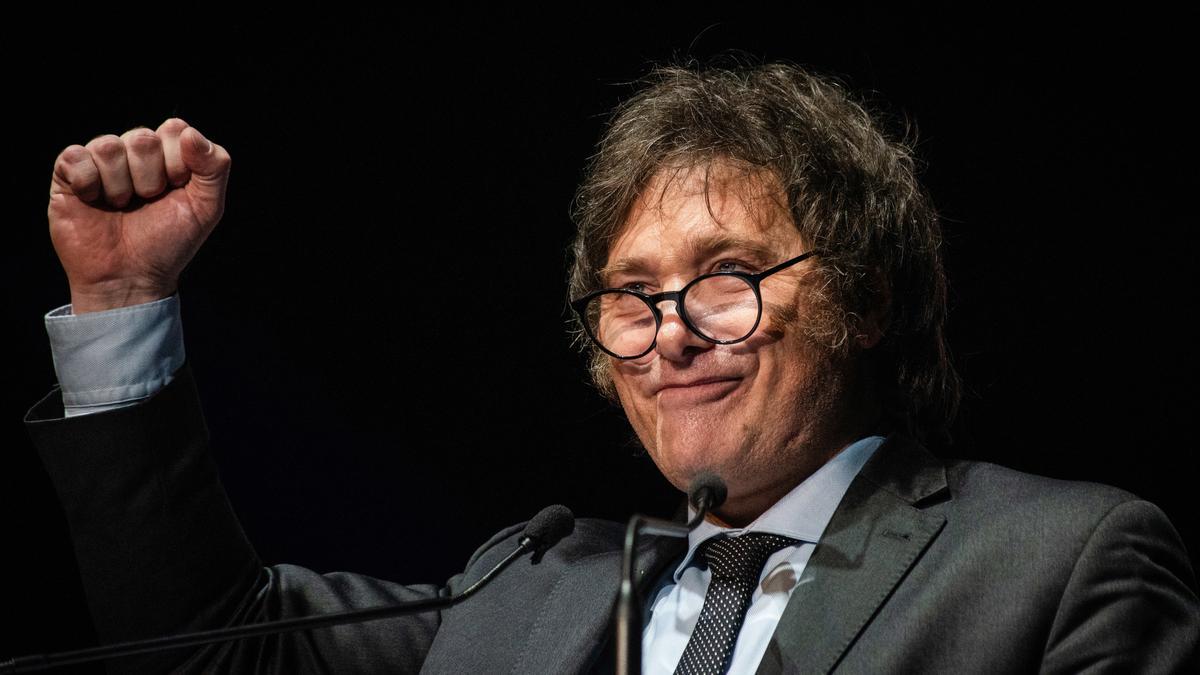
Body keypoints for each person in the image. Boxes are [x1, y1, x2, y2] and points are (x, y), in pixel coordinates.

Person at [24, 63, 1199, 673]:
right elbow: (207, 641)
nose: (669, 332)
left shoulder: (1055, 565)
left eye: (726, 273)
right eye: (632, 296)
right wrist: (121, 304)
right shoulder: (522, 588)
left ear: (863, 298)